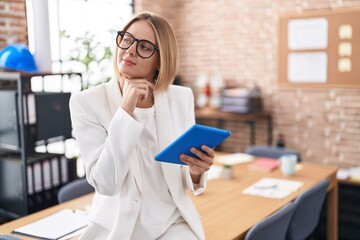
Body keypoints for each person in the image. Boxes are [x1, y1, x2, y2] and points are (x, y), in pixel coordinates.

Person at [69, 12, 214, 240]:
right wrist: (125, 111)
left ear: (161, 60)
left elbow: (181, 172)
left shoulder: (180, 97)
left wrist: (195, 172)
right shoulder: (87, 102)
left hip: (172, 222)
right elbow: (106, 183)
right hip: (119, 226)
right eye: (127, 39)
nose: (130, 50)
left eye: (144, 47)